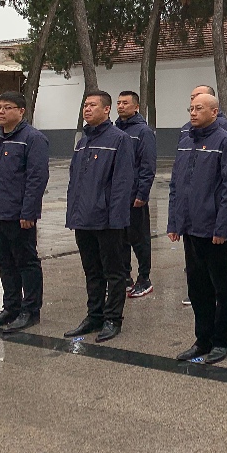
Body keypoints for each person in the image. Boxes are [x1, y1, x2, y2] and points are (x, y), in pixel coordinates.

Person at [168, 86, 227, 366]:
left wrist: (222, 227)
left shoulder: (226, 142)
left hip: (214, 230)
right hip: (191, 228)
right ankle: (203, 339)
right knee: (197, 287)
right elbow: (176, 184)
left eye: (199, 108)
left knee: (222, 288)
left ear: (214, 112)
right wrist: (174, 221)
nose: (193, 112)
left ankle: (222, 340)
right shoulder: (185, 141)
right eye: (191, 108)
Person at [62, 89, 136, 342]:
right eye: (85, 105)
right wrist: (73, 213)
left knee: (113, 272)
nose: (87, 109)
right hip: (83, 218)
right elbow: (75, 180)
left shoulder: (119, 139)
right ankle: (94, 315)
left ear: (106, 109)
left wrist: (116, 220)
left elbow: (122, 182)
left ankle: (113, 318)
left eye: (93, 105)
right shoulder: (83, 141)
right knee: (91, 270)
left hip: (107, 220)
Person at [0, 91, 50, 333]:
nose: (1, 112)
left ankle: (30, 310)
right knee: (5, 264)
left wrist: (29, 212)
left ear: (21, 111)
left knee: (26, 263)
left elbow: (37, 178)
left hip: (17, 215)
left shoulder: (33, 139)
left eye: (7, 107)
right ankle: (11, 308)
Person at [114, 90, 159, 298]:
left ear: (136, 107)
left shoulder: (143, 132)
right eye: (118, 103)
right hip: (117, 197)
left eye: (125, 103)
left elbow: (147, 165)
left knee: (139, 239)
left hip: (134, 197)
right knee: (119, 239)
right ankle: (125, 276)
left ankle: (144, 278)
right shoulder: (114, 130)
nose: (121, 106)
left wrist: (142, 193)